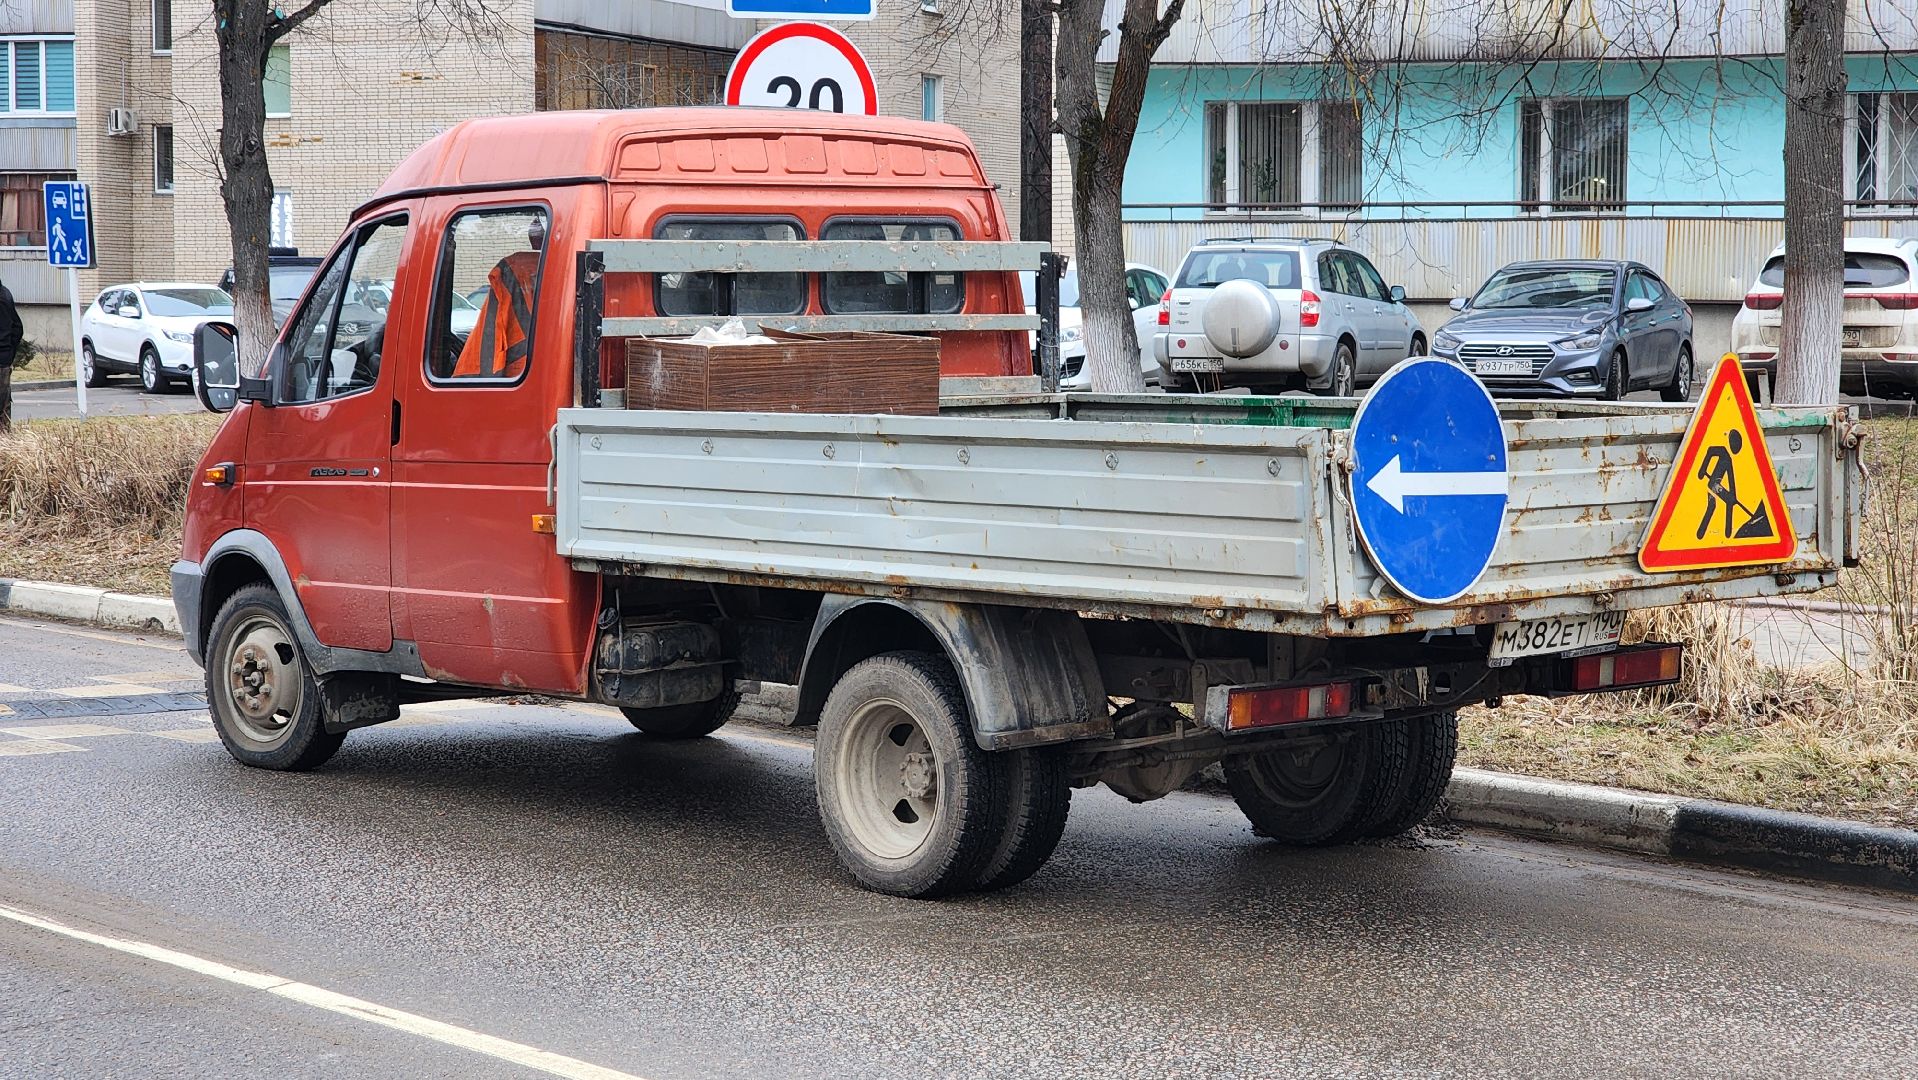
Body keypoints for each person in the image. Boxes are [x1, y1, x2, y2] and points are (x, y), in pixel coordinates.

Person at [451, 218, 545, 380]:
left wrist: (469, 384)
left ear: (534, 239)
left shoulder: (513, 270)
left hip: (519, 383)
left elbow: (488, 345)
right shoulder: (582, 268)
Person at [0, 275, 22, 432]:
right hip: (3, 359)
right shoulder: (5, 294)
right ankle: (6, 443)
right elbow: (17, 328)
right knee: (3, 405)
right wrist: (9, 353)